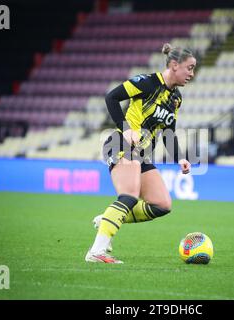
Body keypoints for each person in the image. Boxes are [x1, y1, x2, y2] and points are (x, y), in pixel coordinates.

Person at [85, 43, 196, 263]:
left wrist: (181, 157)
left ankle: (109, 218)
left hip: (140, 154)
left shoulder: (175, 98)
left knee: (162, 204)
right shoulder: (146, 82)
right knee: (129, 196)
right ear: (174, 65)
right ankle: (96, 252)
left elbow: (168, 134)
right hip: (120, 143)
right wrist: (126, 129)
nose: (192, 74)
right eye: (189, 68)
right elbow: (111, 97)